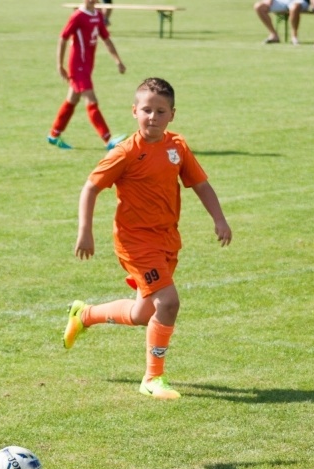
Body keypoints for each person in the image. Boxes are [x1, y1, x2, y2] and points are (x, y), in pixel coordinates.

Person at [63, 78, 232, 400]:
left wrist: (219, 219)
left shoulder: (177, 147)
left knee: (143, 314)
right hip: (135, 242)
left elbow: (200, 184)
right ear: (134, 111)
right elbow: (91, 187)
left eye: (160, 111)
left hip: (167, 239)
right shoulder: (125, 152)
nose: (152, 117)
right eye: (146, 110)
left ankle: (84, 315)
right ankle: (153, 378)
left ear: (172, 115)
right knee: (168, 303)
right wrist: (85, 231)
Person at [47, 0, 127, 150]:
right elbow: (63, 38)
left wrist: (118, 61)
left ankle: (54, 135)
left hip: (87, 65)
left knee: (72, 99)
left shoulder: (98, 15)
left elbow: (106, 39)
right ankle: (108, 139)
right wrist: (60, 65)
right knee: (91, 100)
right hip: (77, 65)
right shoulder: (77, 16)